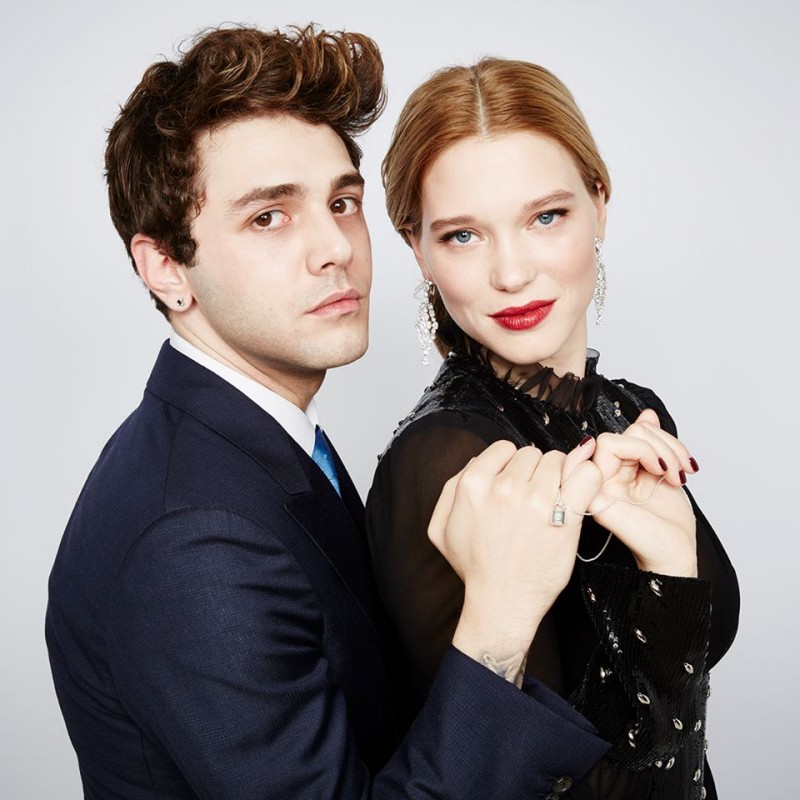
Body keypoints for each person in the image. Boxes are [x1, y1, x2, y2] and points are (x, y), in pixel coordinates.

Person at [45, 27, 619, 799]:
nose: (334, 248)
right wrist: (497, 626)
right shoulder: (192, 541)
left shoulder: (257, 445)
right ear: (165, 267)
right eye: (268, 217)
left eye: (341, 202)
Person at [368, 58, 740, 799]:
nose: (512, 272)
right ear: (417, 247)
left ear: (600, 203)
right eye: (463, 236)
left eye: (546, 217)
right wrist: (667, 575)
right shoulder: (447, 461)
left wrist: (667, 562)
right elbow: (527, 783)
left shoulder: (632, 411)